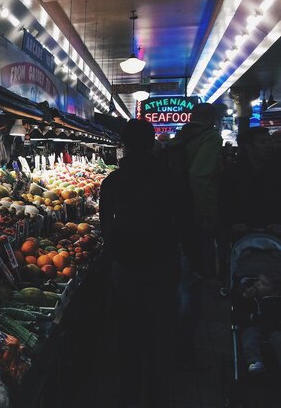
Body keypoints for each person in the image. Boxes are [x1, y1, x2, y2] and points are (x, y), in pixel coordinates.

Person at [100, 119, 179, 408]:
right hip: (162, 262)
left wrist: (113, 256)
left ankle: (129, 393)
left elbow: (106, 226)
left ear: (125, 145)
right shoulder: (169, 177)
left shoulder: (113, 181)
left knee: (129, 329)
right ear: (152, 141)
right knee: (159, 329)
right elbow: (183, 219)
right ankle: (158, 393)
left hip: (126, 265)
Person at [169, 103, 222, 366]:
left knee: (176, 279)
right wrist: (208, 213)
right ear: (213, 120)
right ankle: (184, 348)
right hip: (193, 219)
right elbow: (200, 176)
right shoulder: (210, 138)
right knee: (191, 282)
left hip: (171, 219)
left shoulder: (180, 139)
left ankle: (169, 340)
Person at [220, 127, 281, 239]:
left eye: (269, 141)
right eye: (263, 142)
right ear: (248, 146)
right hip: (243, 234)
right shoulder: (232, 174)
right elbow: (226, 202)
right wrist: (234, 222)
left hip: (273, 233)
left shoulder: (277, 172)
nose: (268, 146)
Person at [234, 272, 281, 374]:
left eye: (263, 283)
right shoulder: (249, 297)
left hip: (272, 327)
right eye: (257, 280)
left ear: (274, 292)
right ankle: (255, 361)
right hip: (252, 325)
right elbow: (239, 313)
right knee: (249, 337)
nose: (257, 284)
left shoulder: (275, 301)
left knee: (278, 337)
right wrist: (245, 297)